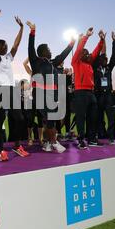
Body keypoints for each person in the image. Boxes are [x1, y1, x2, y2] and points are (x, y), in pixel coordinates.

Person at [27, 21, 76, 153]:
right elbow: (30, 48)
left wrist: (71, 44)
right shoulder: (35, 61)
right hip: (41, 93)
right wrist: (32, 32)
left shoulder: (53, 63)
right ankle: (54, 142)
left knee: (50, 120)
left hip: (52, 94)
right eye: (48, 49)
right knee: (50, 118)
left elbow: (63, 54)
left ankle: (48, 142)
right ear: (42, 52)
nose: (50, 51)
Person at [0, 10, 29, 161]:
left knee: (19, 118)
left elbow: (16, 45)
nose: (7, 47)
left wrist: (21, 28)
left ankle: (17, 145)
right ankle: (1, 150)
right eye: (4, 45)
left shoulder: (8, 58)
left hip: (11, 90)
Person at [71, 27, 105, 149]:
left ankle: (92, 139)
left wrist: (101, 40)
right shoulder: (76, 62)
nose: (87, 54)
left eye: (87, 53)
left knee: (93, 117)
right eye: (84, 53)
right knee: (81, 117)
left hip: (91, 93)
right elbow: (79, 49)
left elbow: (96, 51)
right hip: (80, 93)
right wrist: (86, 37)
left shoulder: (89, 64)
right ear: (80, 55)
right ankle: (80, 139)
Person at [93, 32, 115, 144]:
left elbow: (114, 55)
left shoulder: (108, 68)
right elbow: (100, 51)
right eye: (103, 58)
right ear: (99, 60)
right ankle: (101, 134)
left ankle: (112, 136)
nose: (106, 59)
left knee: (111, 117)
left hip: (108, 95)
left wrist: (114, 41)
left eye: (106, 59)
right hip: (98, 95)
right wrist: (102, 40)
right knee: (99, 117)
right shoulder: (95, 68)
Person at [23, 58, 44, 146]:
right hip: (31, 98)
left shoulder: (43, 74)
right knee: (30, 120)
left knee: (40, 120)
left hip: (40, 98)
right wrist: (30, 56)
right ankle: (30, 138)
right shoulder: (32, 73)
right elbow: (24, 63)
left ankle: (40, 139)